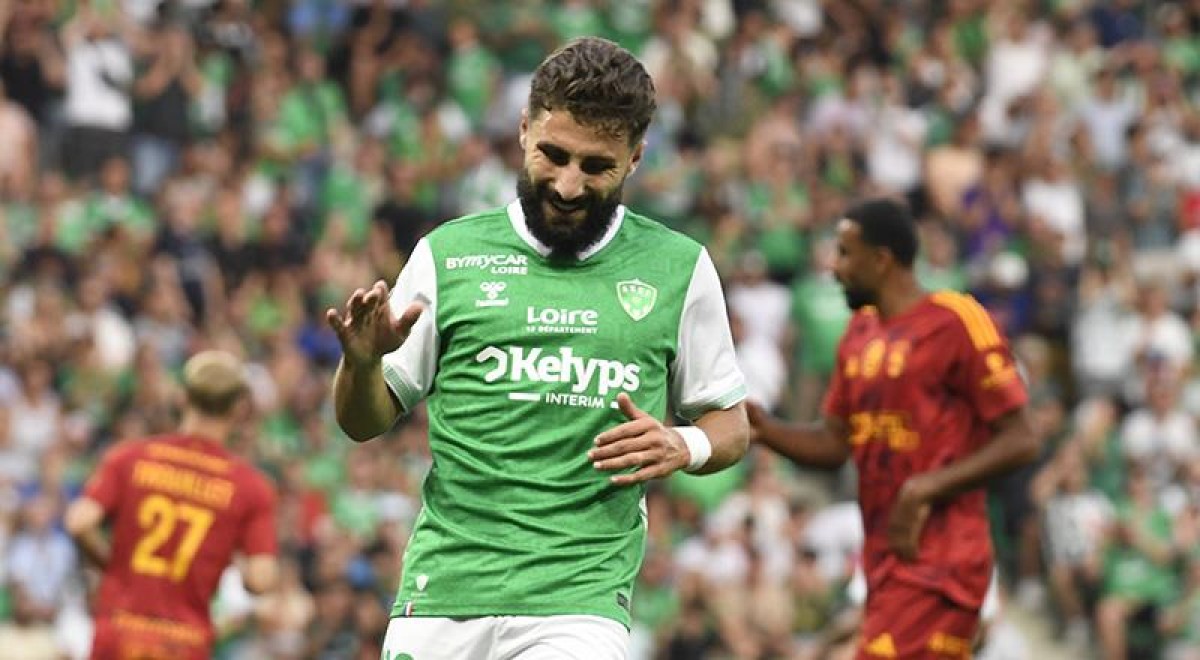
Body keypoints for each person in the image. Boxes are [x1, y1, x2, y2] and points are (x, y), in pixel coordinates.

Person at [326, 36, 749, 659]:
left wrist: (683, 444)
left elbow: (731, 424)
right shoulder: (448, 255)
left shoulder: (678, 269)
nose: (569, 186)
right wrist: (361, 364)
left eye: (596, 167)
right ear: (524, 130)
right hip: (442, 592)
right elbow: (361, 423)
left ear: (635, 158)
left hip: (580, 604)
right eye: (553, 155)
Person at [747, 198, 1038, 659]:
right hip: (885, 561)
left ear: (881, 260)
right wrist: (764, 429)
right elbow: (834, 442)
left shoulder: (956, 320)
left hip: (943, 560)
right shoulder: (859, 334)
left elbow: (1022, 437)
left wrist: (925, 488)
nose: (834, 267)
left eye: (846, 254)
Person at [65, 350, 279, 659]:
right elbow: (261, 579)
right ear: (238, 408)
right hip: (183, 641)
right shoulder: (249, 487)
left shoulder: (131, 457)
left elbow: (80, 522)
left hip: (120, 628)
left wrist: (112, 565)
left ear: (182, 397)